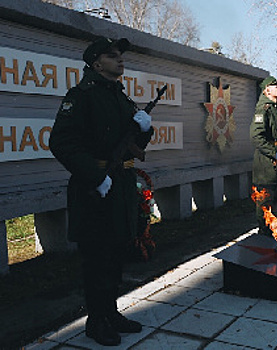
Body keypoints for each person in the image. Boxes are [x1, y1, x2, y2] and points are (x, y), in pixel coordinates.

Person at [49, 37, 153, 346]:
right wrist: (95, 177)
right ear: (96, 63)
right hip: (94, 187)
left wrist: (145, 128)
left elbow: (132, 144)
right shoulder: (81, 96)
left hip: (120, 187)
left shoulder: (120, 98)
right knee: (96, 258)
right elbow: (61, 143)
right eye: (112, 56)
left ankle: (111, 313)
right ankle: (96, 321)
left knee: (118, 253)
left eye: (120, 55)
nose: (120, 60)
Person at [250, 76, 277, 236]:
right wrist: (273, 153)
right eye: (276, 86)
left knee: (273, 201)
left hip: (276, 162)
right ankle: (263, 235)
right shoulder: (264, 110)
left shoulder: (274, 109)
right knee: (265, 202)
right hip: (266, 165)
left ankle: (267, 234)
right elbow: (256, 137)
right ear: (267, 90)